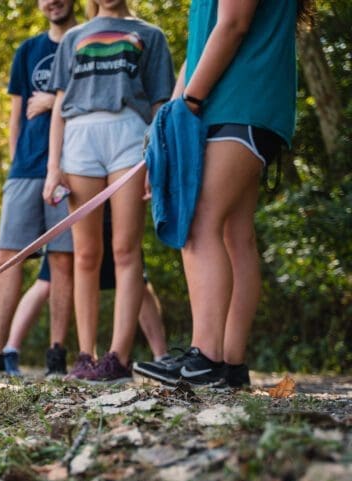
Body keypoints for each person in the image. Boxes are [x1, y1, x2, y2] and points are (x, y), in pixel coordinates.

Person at [134, 0, 312, 389]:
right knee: (235, 234)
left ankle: (206, 358)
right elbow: (201, 46)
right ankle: (230, 364)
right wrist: (167, 121)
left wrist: (191, 100)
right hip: (237, 106)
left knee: (198, 223)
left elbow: (233, 25)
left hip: (236, 104)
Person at [44, 0, 174, 383]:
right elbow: (58, 106)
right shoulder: (73, 38)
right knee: (85, 254)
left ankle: (118, 357)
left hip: (130, 136)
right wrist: (53, 168)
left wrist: (156, 157)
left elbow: (160, 104)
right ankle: (86, 355)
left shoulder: (151, 34)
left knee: (125, 249)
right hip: (80, 138)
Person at [0, 0, 78, 375]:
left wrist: (54, 99)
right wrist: (14, 163)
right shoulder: (28, 51)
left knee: (63, 259)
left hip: (73, 167)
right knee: (7, 257)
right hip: (25, 168)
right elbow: (16, 114)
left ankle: (57, 354)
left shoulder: (86, 39)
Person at [5, 215, 169, 376]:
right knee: (49, 279)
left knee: (136, 277)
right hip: (77, 216)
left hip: (113, 211)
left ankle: (160, 356)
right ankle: (83, 357)